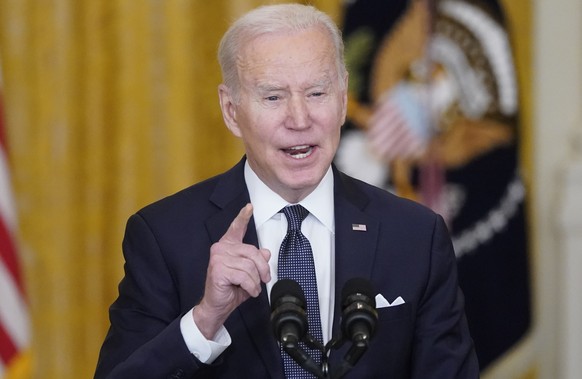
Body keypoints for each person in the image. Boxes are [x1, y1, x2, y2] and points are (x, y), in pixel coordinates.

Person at [94, 4, 479, 378]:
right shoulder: (165, 237)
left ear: (344, 98)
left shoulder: (415, 235)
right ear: (231, 111)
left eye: (316, 93)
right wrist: (204, 320)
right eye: (273, 97)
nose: (299, 119)